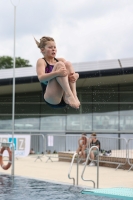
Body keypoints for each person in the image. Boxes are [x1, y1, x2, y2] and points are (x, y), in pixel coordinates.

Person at [35, 36, 80, 109]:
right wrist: (57, 73)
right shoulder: (41, 61)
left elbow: (70, 71)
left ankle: (74, 95)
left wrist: (76, 75)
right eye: (50, 47)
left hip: (65, 98)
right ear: (42, 50)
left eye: (54, 47)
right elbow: (41, 78)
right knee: (59, 64)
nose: (53, 49)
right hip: (52, 98)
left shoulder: (61, 59)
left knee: (67, 63)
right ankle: (69, 95)